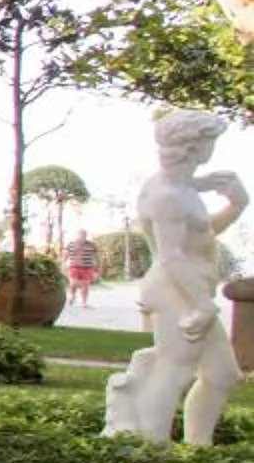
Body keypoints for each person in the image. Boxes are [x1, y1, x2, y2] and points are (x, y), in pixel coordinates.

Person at [102, 111, 246, 444]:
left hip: (193, 290)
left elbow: (201, 236)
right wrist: (201, 305)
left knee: (222, 375)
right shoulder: (168, 195)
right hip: (177, 292)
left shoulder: (184, 188)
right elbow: (171, 257)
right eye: (211, 140)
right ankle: (153, 453)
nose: (214, 147)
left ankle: (197, 450)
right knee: (173, 371)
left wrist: (238, 205)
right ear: (195, 146)